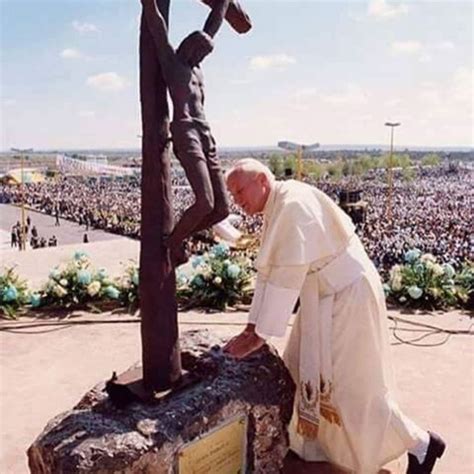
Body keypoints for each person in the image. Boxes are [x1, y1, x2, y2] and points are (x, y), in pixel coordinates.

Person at [223, 159, 446, 474]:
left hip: (347, 297)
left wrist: (259, 335)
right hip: (322, 297)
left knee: (354, 387)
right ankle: (312, 447)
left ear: (261, 180)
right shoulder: (278, 204)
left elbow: (285, 277)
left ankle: (421, 444)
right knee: (300, 367)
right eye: (233, 194)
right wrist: (251, 328)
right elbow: (269, 274)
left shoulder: (292, 206)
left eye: (240, 190)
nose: (237, 200)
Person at [140, 0, 250, 265]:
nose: (204, 54)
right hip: (185, 129)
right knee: (204, 202)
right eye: (201, 49)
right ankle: (172, 243)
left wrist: (223, 2)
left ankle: (179, 238)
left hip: (205, 133)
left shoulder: (196, 67)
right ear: (191, 46)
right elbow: (156, 23)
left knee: (221, 209)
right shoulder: (171, 61)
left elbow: (214, 23)